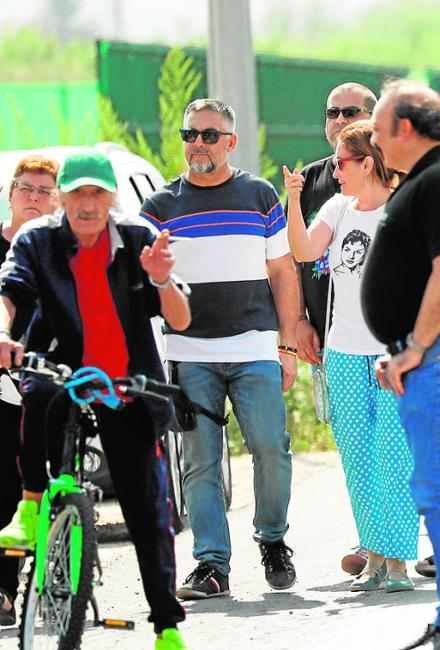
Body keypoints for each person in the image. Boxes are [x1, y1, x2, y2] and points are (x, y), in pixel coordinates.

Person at [0, 149, 191, 649]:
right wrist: (2, 332)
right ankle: (31, 502)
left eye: (97, 194)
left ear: (111, 200)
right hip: (61, 365)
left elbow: (181, 318)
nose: (87, 204)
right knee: (39, 390)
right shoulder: (38, 240)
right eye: (77, 192)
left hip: (126, 383)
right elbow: (11, 291)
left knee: (148, 508)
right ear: (62, 197)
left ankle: (167, 626)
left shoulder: (138, 241)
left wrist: (162, 279)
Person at [141, 99, 301, 600]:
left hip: (254, 347)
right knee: (200, 462)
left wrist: (289, 345)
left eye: (210, 135)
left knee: (271, 449)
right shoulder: (160, 205)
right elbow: (142, 276)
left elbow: (282, 270)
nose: (199, 145)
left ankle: (273, 541)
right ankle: (212, 565)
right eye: (191, 135)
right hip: (189, 355)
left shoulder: (259, 194)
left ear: (231, 142)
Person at [365, 81, 440, 650]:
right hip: (434, 352)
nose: (371, 138)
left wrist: (413, 345)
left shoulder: (437, 179)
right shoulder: (427, 178)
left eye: (377, 127)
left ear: (406, 129)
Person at [283, 120, 422, 592]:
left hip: (393, 352)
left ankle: (401, 561)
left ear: (368, 162)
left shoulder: (405, 208)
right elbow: (302, 249)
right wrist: (292, 199)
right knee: (359, 460)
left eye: (342, 163)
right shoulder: (338, 207)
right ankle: (376, 556)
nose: (335, 171)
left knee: (393, 456)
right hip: (342, 353)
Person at [291, 81, 377, 578]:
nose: (340, 119)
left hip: (391, 341)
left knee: (394, 441)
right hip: (333, 337)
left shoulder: (398, 179)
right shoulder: (311, 183)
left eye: (351, 111)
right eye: (332, 111)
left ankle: (398, 536)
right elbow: (294, 259)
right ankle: (371, 539)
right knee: (353, 441)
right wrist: (299, 322)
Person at [0, 155, 59, 627]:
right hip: (2, 382)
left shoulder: (58, 250)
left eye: (44, 190)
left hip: (50, 380)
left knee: (47, 481)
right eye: (26, 188)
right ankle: (3, 589)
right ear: (11, 193)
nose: (34, 197)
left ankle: (57, 571)